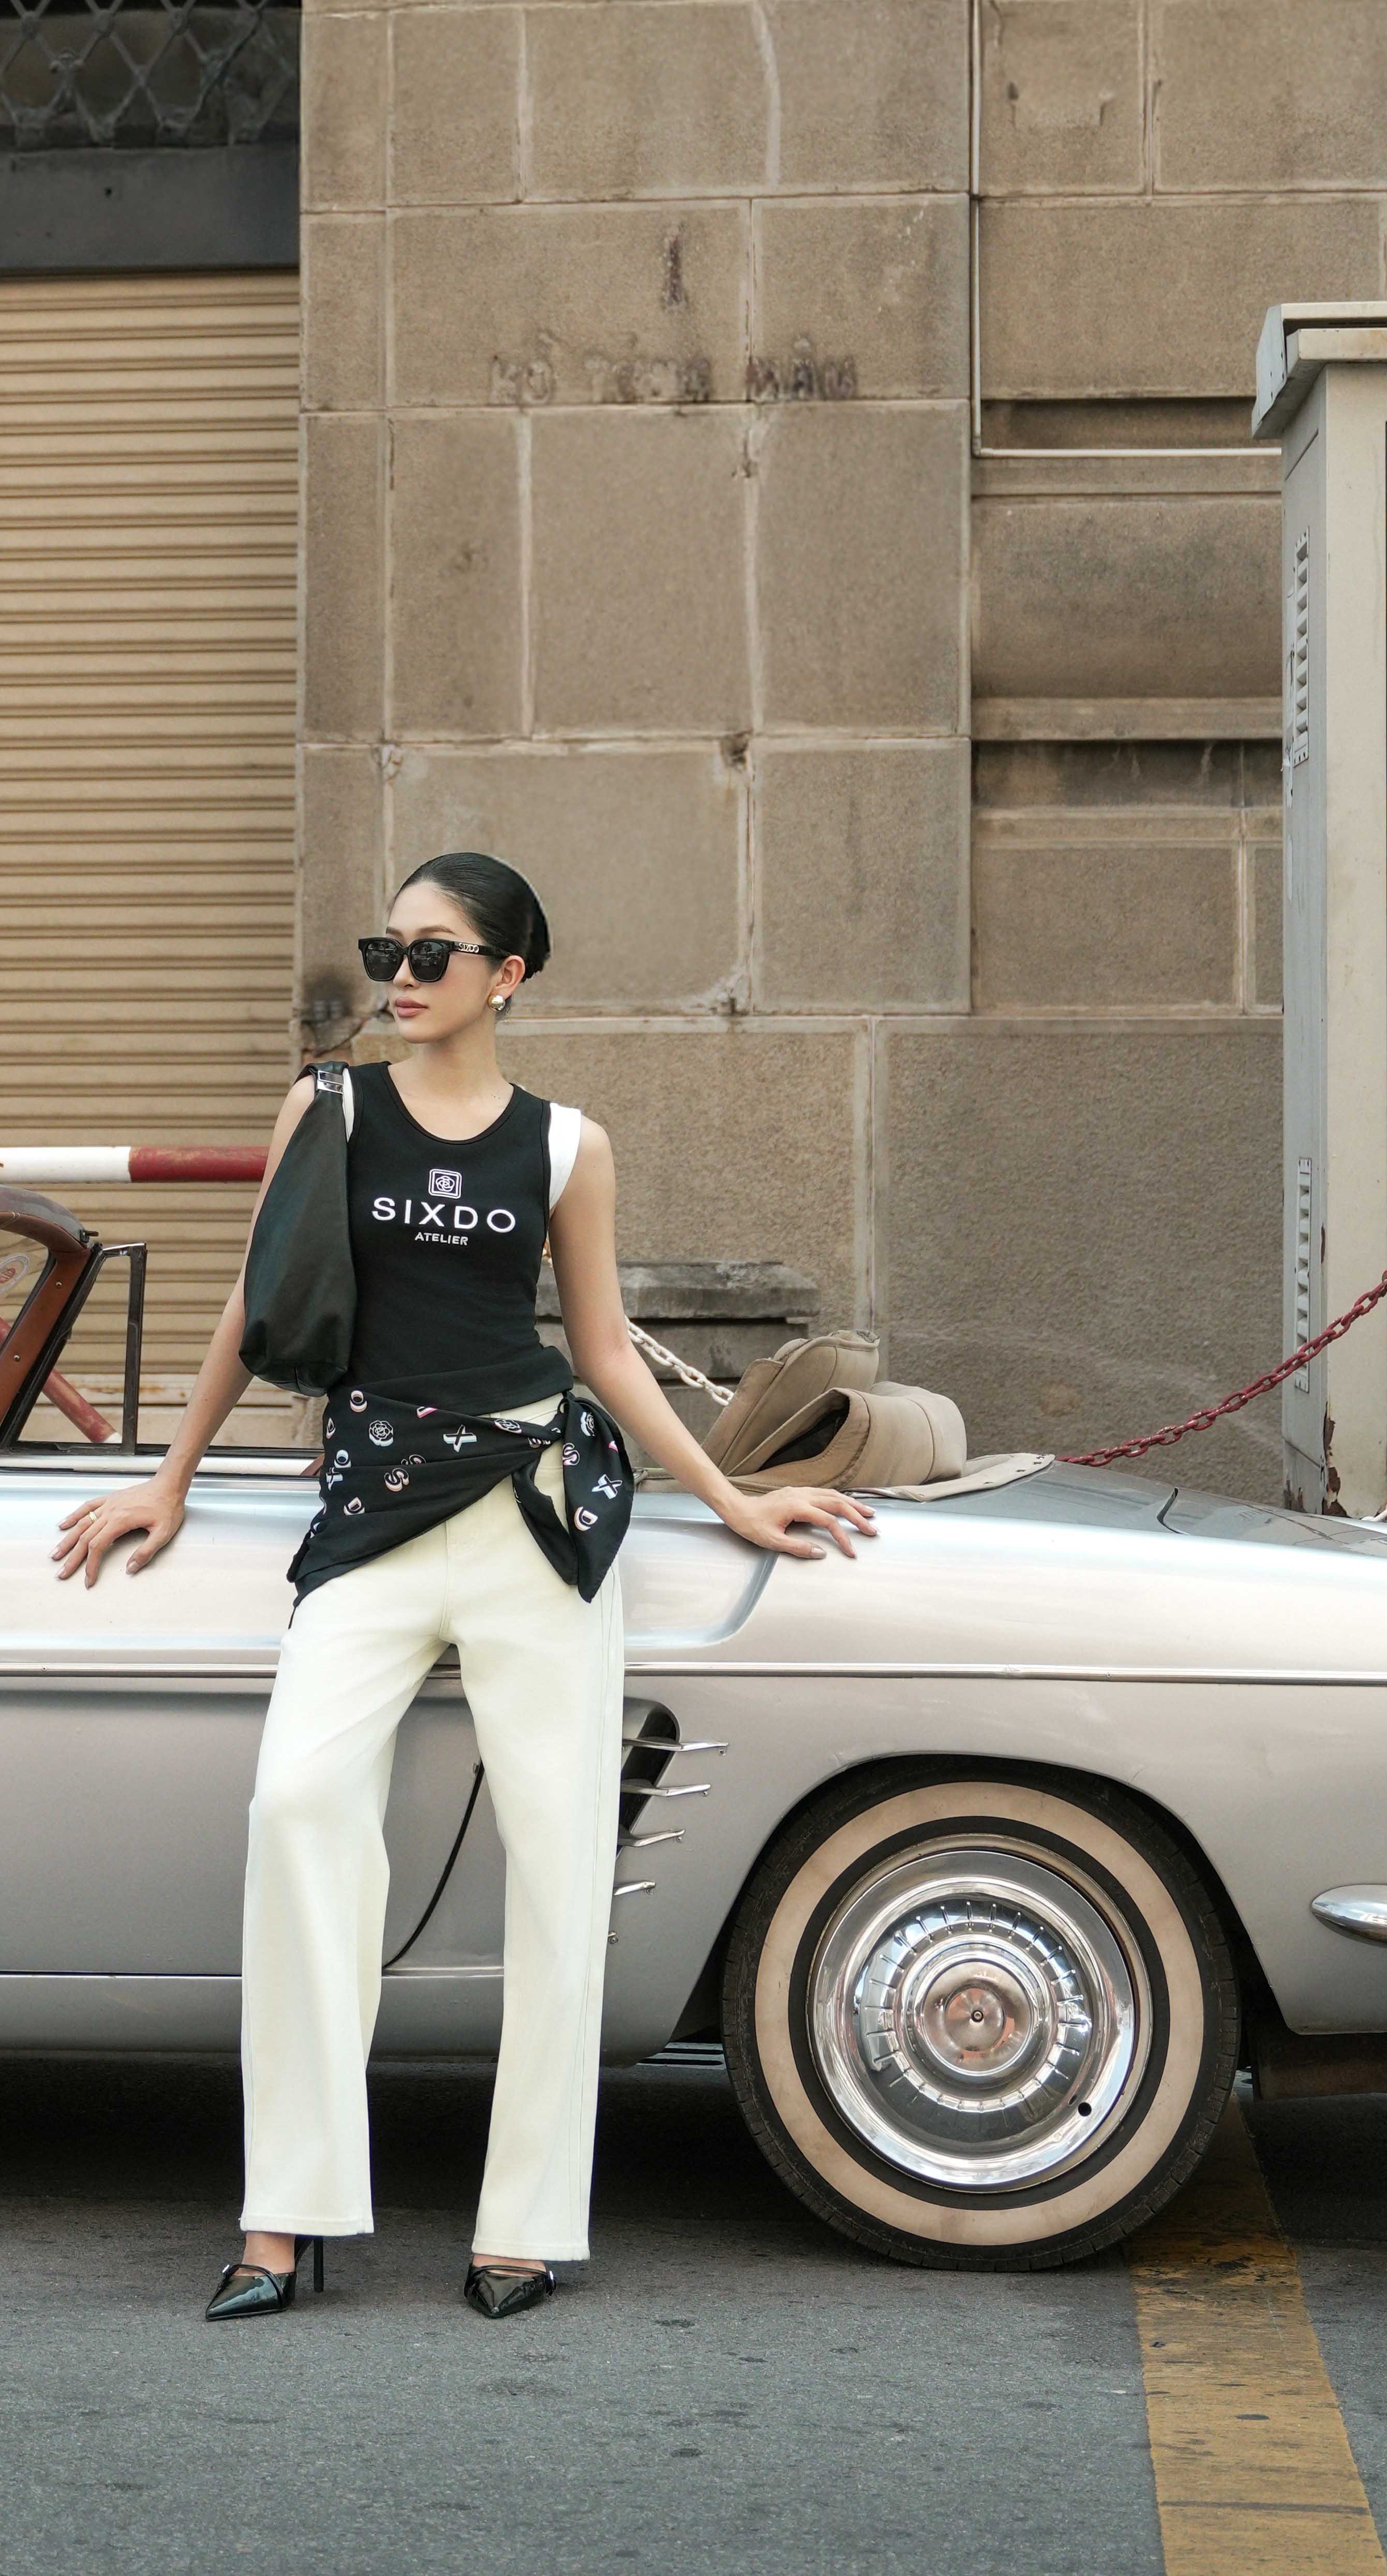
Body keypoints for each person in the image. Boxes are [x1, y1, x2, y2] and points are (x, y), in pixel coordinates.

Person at [51, 851, 874, 2322]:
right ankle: (288, 2213)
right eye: (390, 950)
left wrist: (732, 1497)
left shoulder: (567, 1144)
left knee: (559, 1855)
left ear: (508, 976)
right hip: (373, 1515)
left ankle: (526, 2223)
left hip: (532, 1512)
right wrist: (169, 1477)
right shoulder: (328, 1106)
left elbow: (605, 1350)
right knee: (299, 1807)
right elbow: (255, 1299)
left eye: (434, 953)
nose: (403, 977)